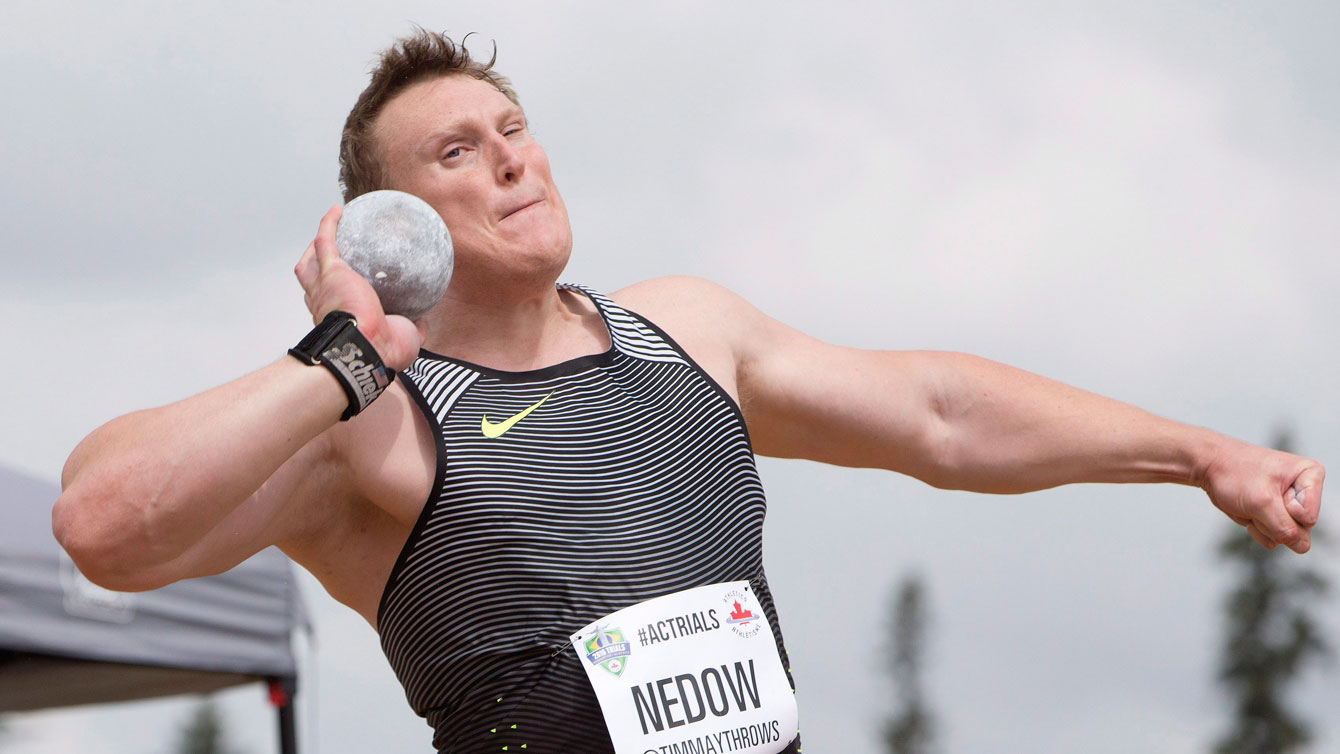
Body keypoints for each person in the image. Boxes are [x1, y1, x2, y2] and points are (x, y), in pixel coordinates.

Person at [53, 29, 1323, 754]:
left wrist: (1195, 451)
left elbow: (939, 412)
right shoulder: (368, 421)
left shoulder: (682, 332)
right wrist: (338, 354)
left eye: (513, 127)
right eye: (458, 150)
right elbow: (105, 523)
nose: (509, 160)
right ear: (392, 220)